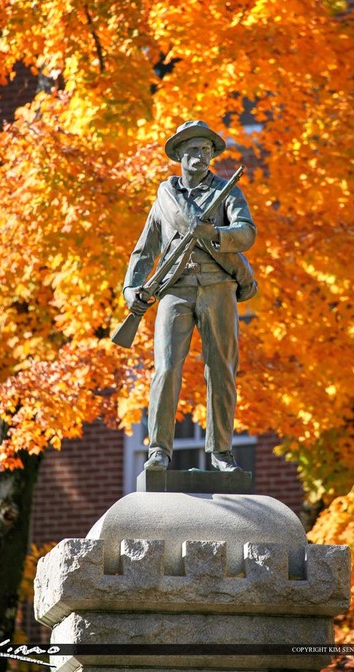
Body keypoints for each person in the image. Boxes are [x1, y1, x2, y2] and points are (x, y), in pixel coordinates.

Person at [123, 120, 257, 471]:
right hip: (175, 290)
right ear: (180, 155)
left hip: (218, 286)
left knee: (221, 369)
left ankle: (221, 452)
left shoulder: (227, 191)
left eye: (206, 150)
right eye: (193, 150)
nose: (201, 156)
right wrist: (130, 289)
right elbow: (144, 251)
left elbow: (245, 234)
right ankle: (159, 451)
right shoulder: (165, 199)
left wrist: (212, 232)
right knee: (166, 369)